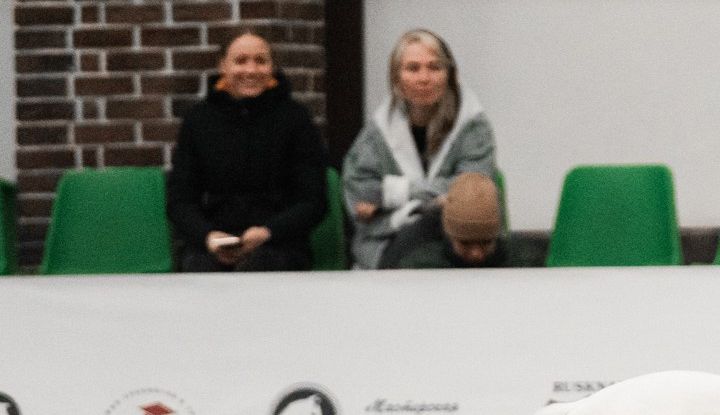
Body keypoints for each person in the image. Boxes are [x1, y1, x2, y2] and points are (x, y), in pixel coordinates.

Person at [166, 29, 328, 272]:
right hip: (210, 244)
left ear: (272, 67)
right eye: (240, 61)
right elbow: (180, 201)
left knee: (260, 269)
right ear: (223, 66)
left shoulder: (296, 119)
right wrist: (208, 236)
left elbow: (313, 201)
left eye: (260, 61)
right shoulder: (198, 120)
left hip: (280, 244)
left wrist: (268, 232)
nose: (251, 70)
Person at [342, 29, 497, 269]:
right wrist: (433, 202)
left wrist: (395, 193)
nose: (424, 78)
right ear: (396, 78)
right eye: (413, 68)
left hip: (459, 244)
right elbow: (360, 196)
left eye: (435, 67)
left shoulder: (473, 127)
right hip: (386, 241)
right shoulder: (377, 131)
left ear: (450, 75)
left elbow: (473, 192)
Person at [393, 173, 537, 269]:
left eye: (486, 242)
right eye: (465, 243)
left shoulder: (523, 266)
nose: (476, 253)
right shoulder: (421, 269)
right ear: (450, 236)